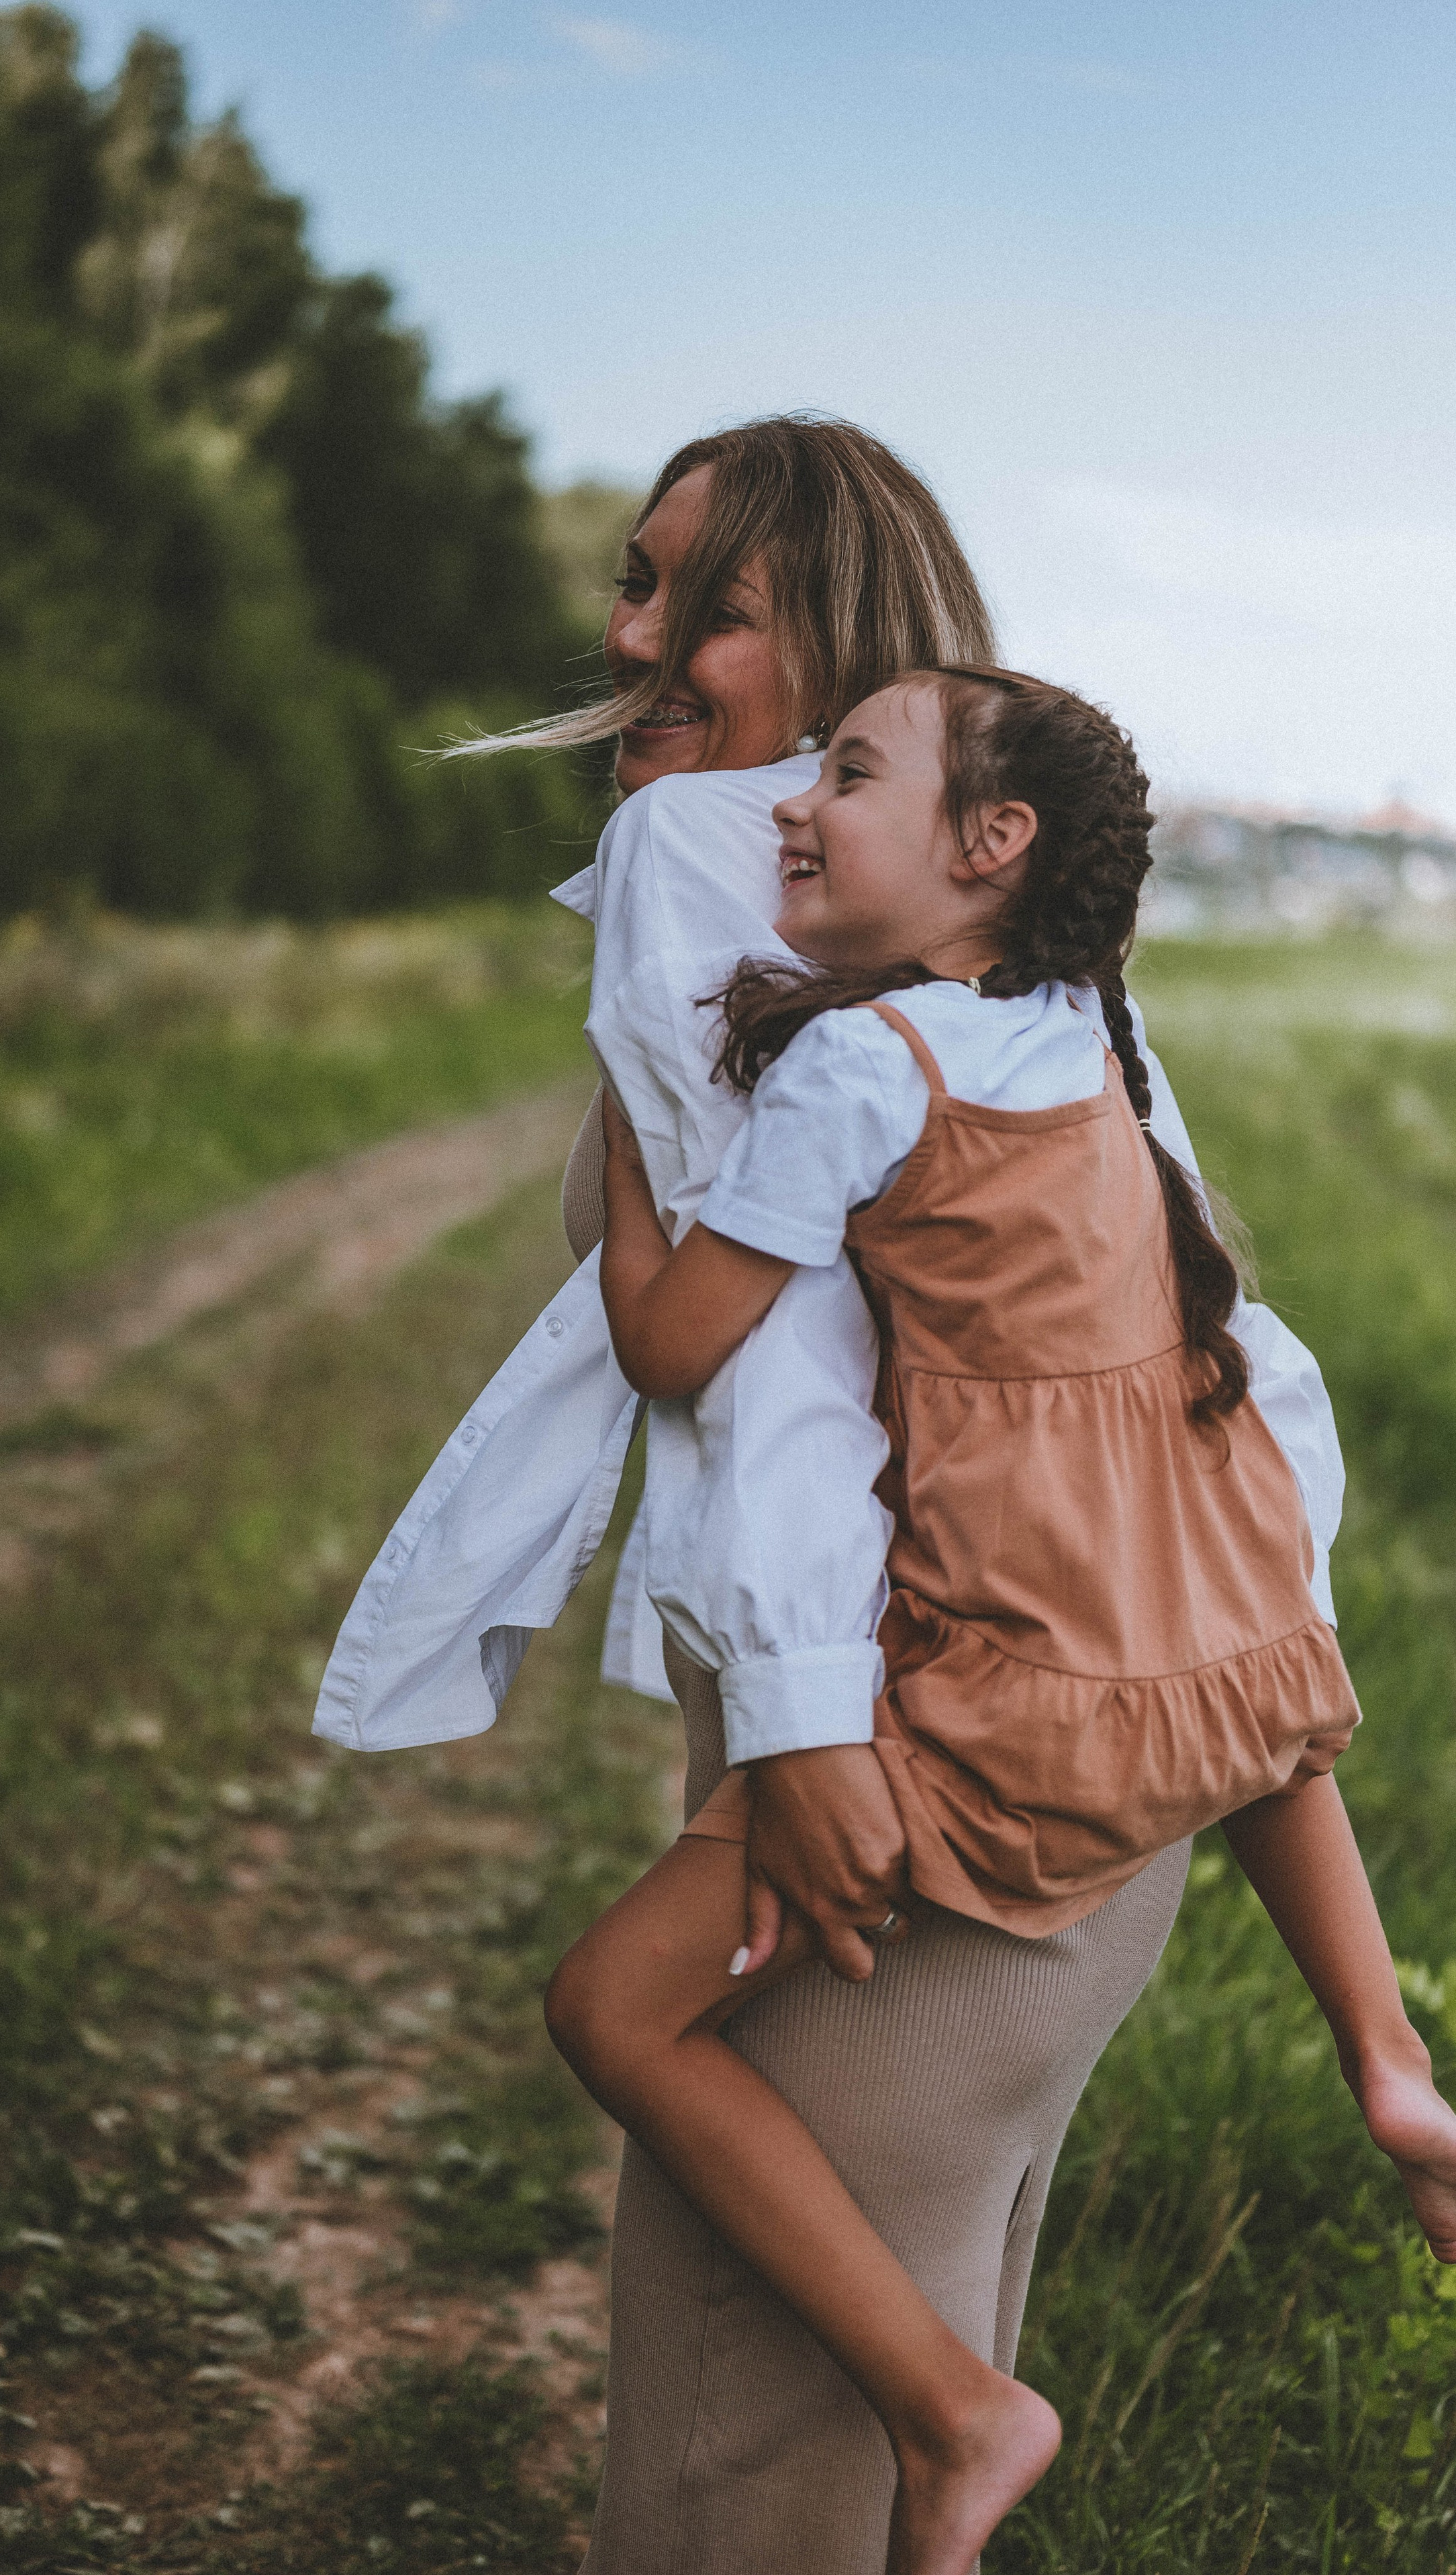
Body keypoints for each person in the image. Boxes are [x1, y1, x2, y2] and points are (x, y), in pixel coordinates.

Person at [311, 420, 1368, 2570]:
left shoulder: (718, 850)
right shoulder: (1017, 974)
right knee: (884, 2458)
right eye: (635, 580)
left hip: (898, 1771)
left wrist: (802, 1723)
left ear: (853, 656)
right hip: (1096, 1780)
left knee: (751, 2467)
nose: (636, 638)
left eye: (709, 604)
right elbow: (1216, 1358)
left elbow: (773, 1372)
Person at [542, 663, 1456, 2571]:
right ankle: (1389, 2061)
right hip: (1193, 1617)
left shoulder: (868, 1068)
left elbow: (677, 1343)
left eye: (849, 774)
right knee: (1250, 1717)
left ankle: (954, 2410)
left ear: (991, 841)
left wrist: (639, 1129)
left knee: (613, 2009)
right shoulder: (1086, 1035)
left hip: (1010, 1701)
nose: (796, 807)